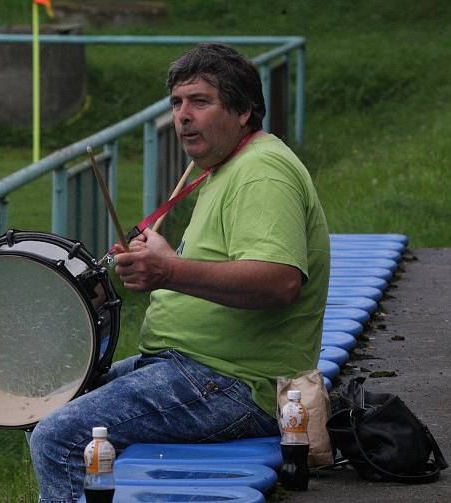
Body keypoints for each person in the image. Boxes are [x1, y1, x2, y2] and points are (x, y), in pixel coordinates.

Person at [29, 43, 330, 503]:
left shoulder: (261, 173)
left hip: (233, 384)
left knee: (61, 437)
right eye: (176, 103)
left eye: (200, 102)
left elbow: (280, 281)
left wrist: (168, 270)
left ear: (245, 110)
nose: (183, 116)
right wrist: (159, 261)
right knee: (43, 405)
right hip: (193, 370)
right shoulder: (225, 167)